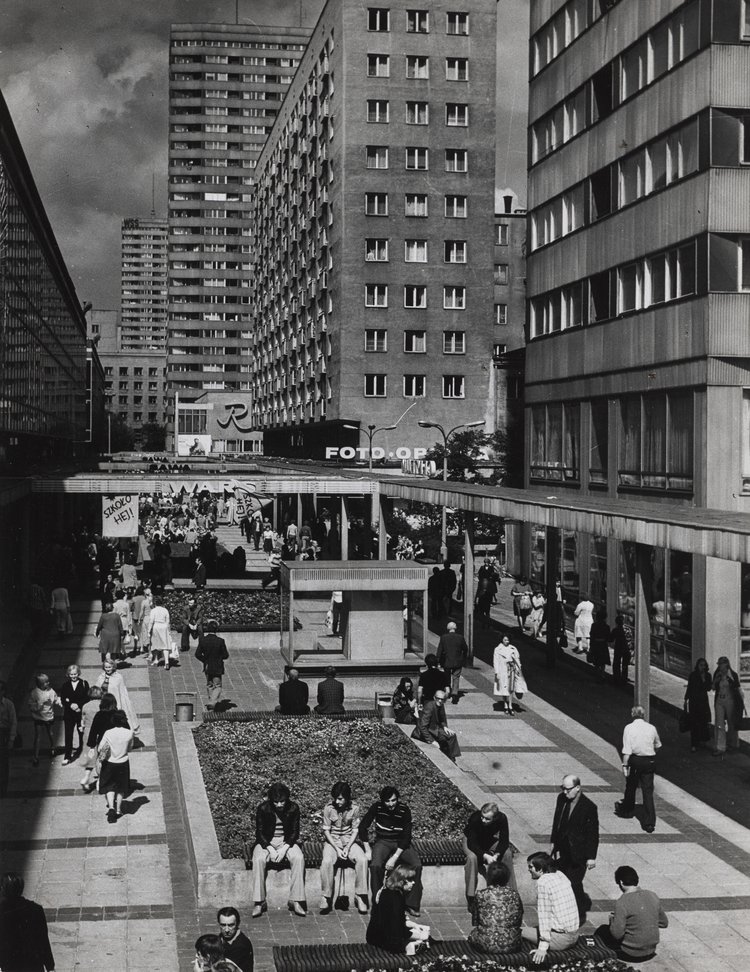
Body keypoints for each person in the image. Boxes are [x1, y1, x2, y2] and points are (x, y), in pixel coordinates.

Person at [358, 786, 422, 917]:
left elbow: (406, 836)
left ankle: (411, 903)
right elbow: (363, 826)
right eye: (387, 801)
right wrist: (367, 848)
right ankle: (378, 903)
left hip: (400, 843)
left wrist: (394, 857)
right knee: (375, 866)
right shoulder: (377, 807)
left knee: (417, 865)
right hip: (383, 841)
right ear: (383, 801)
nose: (391, 804)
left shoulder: (404, 810)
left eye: (393, 800)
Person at [250, 782, 306, 917]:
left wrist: (285, 848)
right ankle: (259, 901)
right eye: (276, 802)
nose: (280, 805)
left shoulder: (293, 808)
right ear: (271, 800)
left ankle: (296, 900)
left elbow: (294, 832)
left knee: (298, 858)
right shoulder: (263, 808)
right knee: (258, 859)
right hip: (267, 842)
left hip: (286, 841)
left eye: (282, 801)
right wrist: (270, 848)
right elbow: (260, 832)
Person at [550, 775, 599, 923]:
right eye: (563, 788)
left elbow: (593, 834)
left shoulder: (589, 807)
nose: (565, 792)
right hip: (563, 849)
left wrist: (591, 856)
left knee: (574, 883)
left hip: (579, 852)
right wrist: (553, 841)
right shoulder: (562, 799)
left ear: (577, 788)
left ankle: (578, 913)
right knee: (563, 881)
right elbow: (557, 820)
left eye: (568, 789)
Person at [596, 865, 668, 964]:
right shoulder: (652, 895)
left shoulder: (622, 902)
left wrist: (613, 920)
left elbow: (617, 934)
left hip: (630, 954)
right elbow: (664, 923)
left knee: (602, 930)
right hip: (650, 951)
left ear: (621, 882)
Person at [320, 781, 369, 914]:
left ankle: (361, 896)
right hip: (333, 841)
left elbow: (354, 830)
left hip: (349, 841)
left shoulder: (355, 808)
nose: (338, 801)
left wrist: (347, 847)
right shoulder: (329, 808)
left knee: (363, 860)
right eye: (335, 798)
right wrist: (337, 848)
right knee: (327, 861)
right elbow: (326, 831)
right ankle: (326, 896)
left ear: (347, 798)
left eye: (340, 798)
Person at [523, 852, 580, 963]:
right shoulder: (560, 874)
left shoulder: (543, 882)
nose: (528, 870)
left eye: (531, 867)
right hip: (574, 935)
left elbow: (545, 915)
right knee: (535, 928)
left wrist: (542, 948)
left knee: (518, 931)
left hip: (562, 940)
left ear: (540, 869)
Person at [365, 864, 430, 955]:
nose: (413, 883)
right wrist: (420, 936)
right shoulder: (396, 899)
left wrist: (414, 925)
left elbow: (397, 921)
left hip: (374, 934)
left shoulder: (389, 891)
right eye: (410, 880)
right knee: (423, 937)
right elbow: (397, 929)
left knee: (420, 932)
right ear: (401, 881)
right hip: (382, 938)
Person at [616, 705, 661, 833]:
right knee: (648, 791)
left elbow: (627, 750)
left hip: (635, 760)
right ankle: (649, 822)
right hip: (649, 760)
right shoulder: (651, 728)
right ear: (643, 715)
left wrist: (625, 766)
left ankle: (627, 809)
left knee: (631, 785)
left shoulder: (629, 728)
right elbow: (658, 744)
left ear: (632, 714)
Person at [463, 803, 516, 910]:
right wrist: (485, 856)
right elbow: (472, 844)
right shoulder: (475, 818)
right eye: (482, 817)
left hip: (488, 840)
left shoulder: (502, 818)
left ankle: (512, 893)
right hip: (471, 841)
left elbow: (504, 841)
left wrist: (496, 855)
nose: (483, 820)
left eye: (487, 819)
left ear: (495, 817)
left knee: (507, 853)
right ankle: (471, 897)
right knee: (472, 858)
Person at [0, 871, 55, 972]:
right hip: (33, 964)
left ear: (3, 890)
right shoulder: (35, 909)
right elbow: (43, 940)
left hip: (10, 965)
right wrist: (50, 966)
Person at [468, 861, 523, 955]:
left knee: (472, 934)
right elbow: (519, 919)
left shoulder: (481, 894)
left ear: (489, 877)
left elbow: (475, 920)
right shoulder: (515, 894)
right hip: (512, 943)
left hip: (487, 943)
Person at [97, 709, 134, 823]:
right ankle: (118, 810)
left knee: (110, 786)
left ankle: (111, 807)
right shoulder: (129, 733)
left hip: (109, 762)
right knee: (120, 787)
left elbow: (100, 748)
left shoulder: (108, 732)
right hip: (123, 762)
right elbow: (130, 748)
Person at [411, 688, 461, 761]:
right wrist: (432, 741)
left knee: (452, 735)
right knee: (444, 739)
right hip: (429, 730)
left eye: (442, 699)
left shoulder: (441, 705)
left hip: (436, 728)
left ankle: (452, 758)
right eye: (438, 699)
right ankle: (449, 758)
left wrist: (445, 727)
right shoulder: (429, 707)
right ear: (434, 698)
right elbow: (423, 726)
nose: (440, 701)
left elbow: (442, 718)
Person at [95, 658, 140, 735]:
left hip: (115, 704)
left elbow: (122, 692)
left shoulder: (118, 677)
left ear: (113, 667)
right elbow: (97, 690)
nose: (107, 669)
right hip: (104, 704)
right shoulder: (101, 677)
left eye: (109, 667)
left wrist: (121, 705)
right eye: (106, 667)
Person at [712, 655, 744, 757]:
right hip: (719, 700)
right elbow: (713, 687)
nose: (720, 666)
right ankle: (720, 747)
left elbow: (737, 687)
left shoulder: (732, 674)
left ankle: (733, 744)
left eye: (722, 664)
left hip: (730, 700)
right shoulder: (717, 674)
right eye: (719, 664)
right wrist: (716, 681)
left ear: (726, 664)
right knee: (719, 723)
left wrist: (729, 679)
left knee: (732, 722)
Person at [59, 664, 89, 764]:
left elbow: (87, 697)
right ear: (68, 674)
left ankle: (83, 751)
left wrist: (78, 705)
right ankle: (67, 756)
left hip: (80, 713)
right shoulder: (65, 685)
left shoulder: (84, 683)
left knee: (82, 733)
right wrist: (70, 705)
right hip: (69, 714)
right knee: (68, 735)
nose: (73, 676)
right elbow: (63, 699)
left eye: (75, 674)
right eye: (71, 674)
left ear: (78, 673)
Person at [196, 619, 229, 710]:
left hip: (207, 666)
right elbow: (225, 655)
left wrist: (205, 660)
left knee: (209, 684)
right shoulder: (220, 641)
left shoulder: (203, 640)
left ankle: (211, 703)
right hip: (217, 666)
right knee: (217, 686)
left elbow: (197, 654)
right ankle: (212, 702)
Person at [28, 673, 61, 766]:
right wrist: (40, 705)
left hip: (49, 716)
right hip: (38, 717)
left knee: (50, 733)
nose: (48, 683)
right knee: (38, 736)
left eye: (48, 681)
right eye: (46, 682)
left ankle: (53, 747)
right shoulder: (34, 693)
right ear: (40, 684)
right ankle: (36, 756)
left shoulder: (51, 691)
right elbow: (31, 705)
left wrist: (59, 702)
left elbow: (56, 698)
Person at [492, 636, 527, 716]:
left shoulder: (513, 648)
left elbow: (517, 659)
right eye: (505, 640)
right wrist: (496, 672)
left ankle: (510, 705)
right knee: (503, 688)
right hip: (502, 671)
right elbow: (495, 661)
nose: (506, 641)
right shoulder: (497, 649)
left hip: (511, 670)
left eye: (508, 640)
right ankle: (505, 704)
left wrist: (519, 669)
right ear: (502, 640)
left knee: (511, 688)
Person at [436, 621, 469, 703]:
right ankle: (455, 693)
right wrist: (463, 658)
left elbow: (440, 650)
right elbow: (465, 648)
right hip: (457, 661)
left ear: (448, 628)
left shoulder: (444, 637)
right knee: (456, 677)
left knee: (447, 677)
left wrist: (438, 660)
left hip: (447, 661)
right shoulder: (460, 637)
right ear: (455, 628)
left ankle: (447, 692)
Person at [684, 657, 712, 752]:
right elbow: (690, 687)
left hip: (703, 701)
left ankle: (703, 741)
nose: (702, 667)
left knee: (703, 722)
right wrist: (686, 698)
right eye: (701, 665)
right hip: (694, 701)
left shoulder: (708, 676)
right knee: (694, 723)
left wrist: (704, 679)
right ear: (697, 666)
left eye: (704, 665)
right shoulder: (693, 675)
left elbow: (708, 688)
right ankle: (694, 743)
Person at [217, 907, 254, 972]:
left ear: (238, 924)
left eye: (231, 925)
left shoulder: (241, 946)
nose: (226, 930)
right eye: (223, 925)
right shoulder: (222, 937)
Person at [0, 680, 18, 798]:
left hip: (3, 735)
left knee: (3, 763)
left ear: (3, 691)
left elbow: (13, 722)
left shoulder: (8, 704)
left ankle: (2, 789)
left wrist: (11, 739)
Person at [148, 595, 173, 668]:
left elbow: (151, 621)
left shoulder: (153, 610)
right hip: (164, 627)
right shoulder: (165, 610)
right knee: (165, 645)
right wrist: (169, 631)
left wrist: (149, 631)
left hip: (156, 626)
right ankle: (167, 662)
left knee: (155, 644)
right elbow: (168, 622)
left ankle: (155, 659)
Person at [587, 609, 610, 680]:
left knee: (596, 660)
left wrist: (591, 646)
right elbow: (608, 637)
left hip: (595, 644)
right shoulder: (606, 626)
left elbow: (592, 635)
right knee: (603, 661)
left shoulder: (594, 625)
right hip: (603, 644)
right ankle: (602, 673)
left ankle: (597, 674)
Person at [609, 615, 631, 684]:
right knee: (625, 664)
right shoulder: (628, 629)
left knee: (616, 663)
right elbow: (630, 638)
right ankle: (624, 678)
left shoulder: (616, 630)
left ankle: (616, 677)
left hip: (618, 648)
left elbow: (611, 639)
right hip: (627, 648)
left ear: (616, 622)